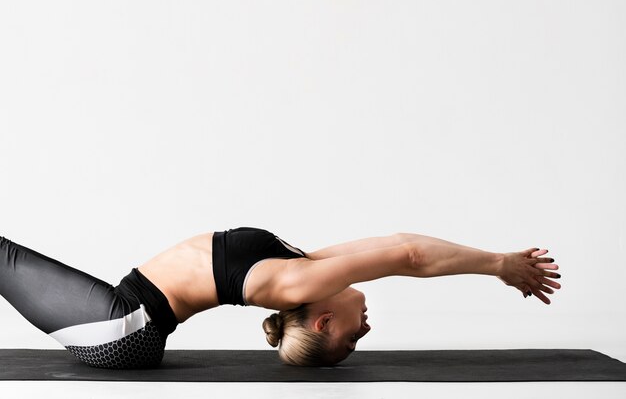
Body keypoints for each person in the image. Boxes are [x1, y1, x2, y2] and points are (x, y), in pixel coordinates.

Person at [0, 228, 561, 369]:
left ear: (320, 323)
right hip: (126, 328)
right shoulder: (303, 271)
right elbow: (397, 248)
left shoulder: (295, 285)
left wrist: (498, 266)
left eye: (351, 339)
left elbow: (406, 256)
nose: (365, 328)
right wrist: (494, 262)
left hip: (122, 329)